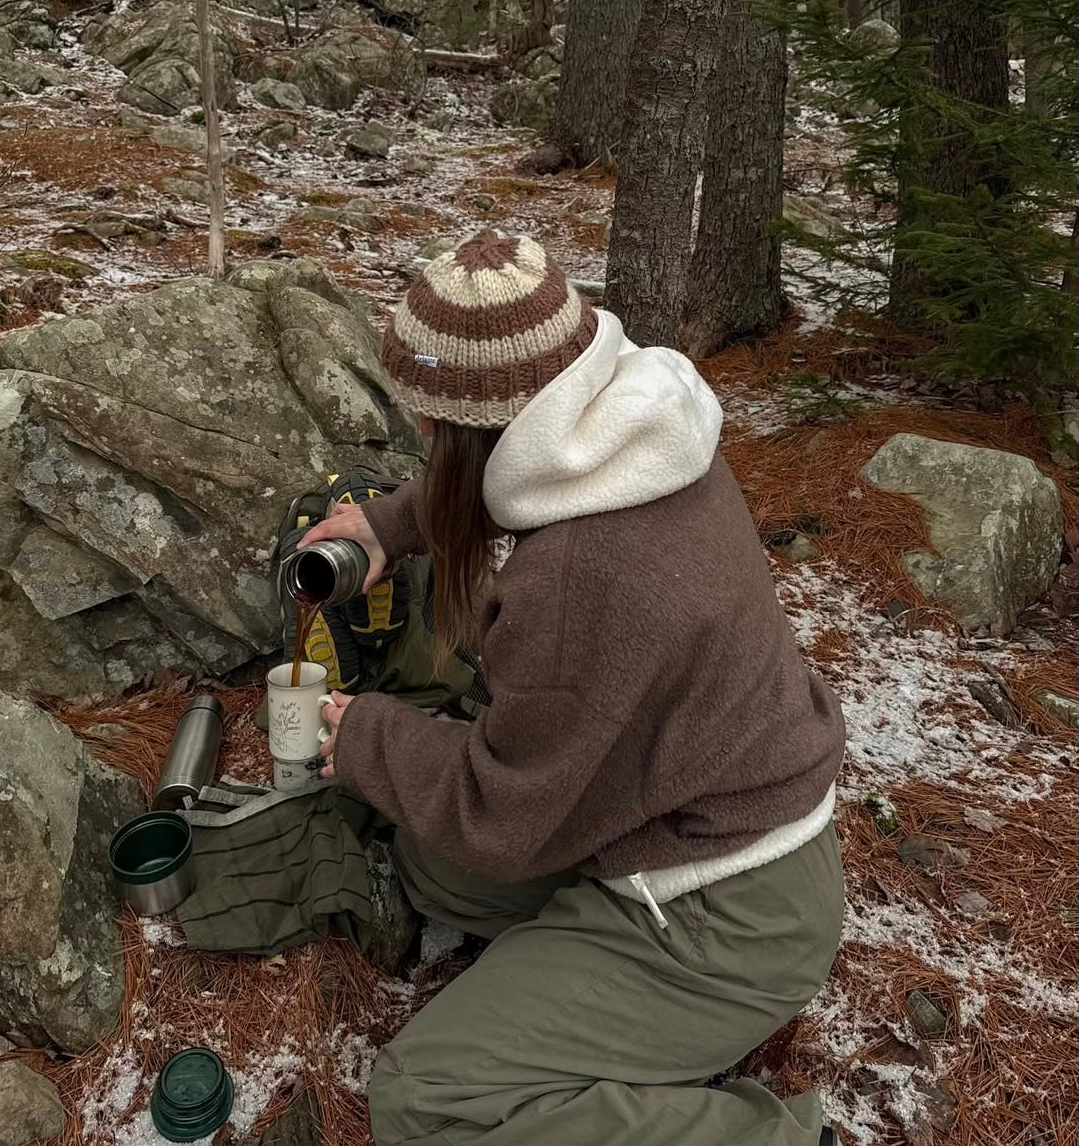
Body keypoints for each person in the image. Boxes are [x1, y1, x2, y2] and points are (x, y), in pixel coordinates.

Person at [300, 230, 846, 1146]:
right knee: (434, 867)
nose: (422, 436)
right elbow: (498, 471)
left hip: (725, 915)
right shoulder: (635, 435)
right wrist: (389, 523)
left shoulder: (573, 585)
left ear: (476, 428)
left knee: (427, 1095)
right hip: (696, 821)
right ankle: (579, 979)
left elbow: (497, 813)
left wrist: (363, 736)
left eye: (432, 422)